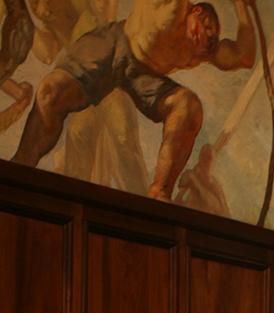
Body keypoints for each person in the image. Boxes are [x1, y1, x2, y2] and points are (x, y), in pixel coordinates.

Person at [11, 0, 257, 200]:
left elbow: (243, 57)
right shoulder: (172, 7)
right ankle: (19, 170)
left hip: (145, 76)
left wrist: (242, 8)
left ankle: (160, 192)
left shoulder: (201, 49)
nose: (205, 38)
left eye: (211, 38)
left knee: (189, 108)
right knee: (51, 92)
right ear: (195, 11)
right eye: (204, 27)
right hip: (115, 43)